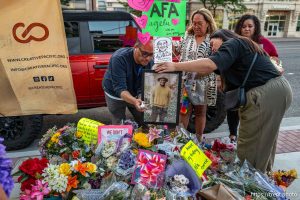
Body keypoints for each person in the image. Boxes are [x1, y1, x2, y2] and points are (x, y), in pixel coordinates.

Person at [155, 29, 292, 173]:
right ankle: (265, 181)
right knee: (265, 142)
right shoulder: (237, 53)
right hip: (276, 91)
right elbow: (207, 74)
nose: (212, 48)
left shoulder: (234, 43)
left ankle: (251, 186)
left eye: (213, 43)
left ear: (222, 37)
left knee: (250, 147)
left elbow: (209, 65)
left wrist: (175, 66)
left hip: (266, 94)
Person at [226, 14, 281, 142]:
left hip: (257, 86)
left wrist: (273, 64)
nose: (246, 29)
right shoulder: (234, 42)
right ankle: (233, 134)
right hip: (238, 83)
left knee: (251, 112)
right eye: (243, 26)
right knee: (233, 107)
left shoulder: (264, 42)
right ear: (239, 28)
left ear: (255, 28)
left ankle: (248, 137)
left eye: (250, 26)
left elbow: (275, 58)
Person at [173, 8, 217, 141]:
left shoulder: (213, 39)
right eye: (194, 23)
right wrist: (165, 41)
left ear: (208, 23)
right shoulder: (187, 37)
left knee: (200, 112)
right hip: (186, 83)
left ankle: (198, 139)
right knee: (184, 110)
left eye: (199, 23)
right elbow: (177, 50)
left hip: (202, 83)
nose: (196, 26)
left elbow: (216, 61)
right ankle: (181, 138)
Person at [102, 40, 154, 126]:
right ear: (136, 48)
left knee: (143, 119)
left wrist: (140, 97)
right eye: (145, 53)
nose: (148, 58)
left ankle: (143, 135)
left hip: (133, 92)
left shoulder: (150, 62)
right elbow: (120, 89)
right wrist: (134, 101)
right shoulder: (119, 58)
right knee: (119, 121)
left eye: (151, 54)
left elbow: (144, 84)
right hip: (114, 93)